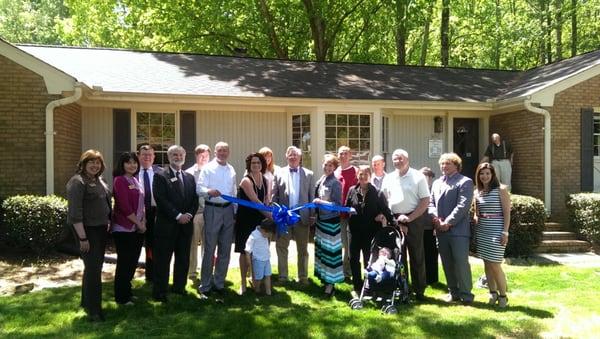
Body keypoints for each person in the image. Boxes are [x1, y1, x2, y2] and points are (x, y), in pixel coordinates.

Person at [66, 150, 111, 322]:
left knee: (93, 268)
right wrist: (83, 238)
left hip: (100, 230)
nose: (95, 165)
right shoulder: (77, 182)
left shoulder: (99, 180)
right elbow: (75, 213)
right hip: (86, 231)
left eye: (98, 162)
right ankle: (95, 311)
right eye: (91, 162)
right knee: (93, 270)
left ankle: (86, 302)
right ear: (83, 164)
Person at [380, 149, 429, 301]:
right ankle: (402, 288)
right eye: (395, 159)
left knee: (416, 255)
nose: (397, 161)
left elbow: (425, 201)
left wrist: (410, 218)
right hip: (394, 220)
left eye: (400, 158)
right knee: (397, 256)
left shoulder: (418, 176)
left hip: (414, 218)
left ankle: (419, 290)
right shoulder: (389, 178)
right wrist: (392, 219)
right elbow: (384, 199)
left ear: (407, 159)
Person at [152, 145, 199, 302]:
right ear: (169, 156)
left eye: (180, 154)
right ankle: (160, 291)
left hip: (186, 226)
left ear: (185, 156)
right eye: (174, 154)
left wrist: (189, 214)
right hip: (167, 226)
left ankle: (179, 287)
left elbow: (194, 200)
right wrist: (178, 215)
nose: (178, 157)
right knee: (163, 260)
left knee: (183, 258)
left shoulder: (189, 177)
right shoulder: (160, 176)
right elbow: (161, 200)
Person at [429, 153, 475, 305]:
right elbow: (431, 204)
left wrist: (448, 223)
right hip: (441, 232)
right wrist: (436, 219)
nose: (444, 166)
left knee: (461, 263)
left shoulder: (465, 182)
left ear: (456, 165)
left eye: (448, 163)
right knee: (447, 263)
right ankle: (453, 293)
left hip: (458, 231)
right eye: (442, 164)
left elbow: (463, 206)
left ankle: (467, 295)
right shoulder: (437, 183)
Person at [345, 165, 395, 296]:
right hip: (354, 231)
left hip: (371, 233)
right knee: (353, 259)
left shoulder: (377, 193)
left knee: (369, 259)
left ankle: (369, 285)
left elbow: (386, 210)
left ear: (370, 176)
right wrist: (347, 211)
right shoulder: (352, 190)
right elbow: (346, 207)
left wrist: (392, 222)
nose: (363, 177)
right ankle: (357, 285)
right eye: (360, 174)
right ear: (357, 176)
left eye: (366, 174)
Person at [197, 141, 237, 298]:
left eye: (225, 151)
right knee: (209, 249)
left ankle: (219, 283)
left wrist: (234, 211)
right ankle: (205, 285)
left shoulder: (231, 169)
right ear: (215, 152)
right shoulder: (207, 168)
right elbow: (199, 189)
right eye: (220, 150)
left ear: (229, 152)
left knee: (225, 249)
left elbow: (233, 191)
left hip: (228, 211)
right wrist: (209, 191)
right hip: (212, 209)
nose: (223, 153)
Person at [272, 146, 315, 285]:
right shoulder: (278, 173)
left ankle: (303, 276)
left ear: (300, 157)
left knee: (303, 249)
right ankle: (283, 276)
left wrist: (312, 215)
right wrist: (276, 214)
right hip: (284, 216)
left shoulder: (309, 174)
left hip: (302, 216)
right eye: (290, 155)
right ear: (286, 156)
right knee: (281, 246)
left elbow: (311, 197)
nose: (293, 157)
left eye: (295, 155)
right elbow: (274, 196)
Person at [473, 162, 511, 308]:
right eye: (482, 174)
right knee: (487, 264)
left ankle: (503, 296)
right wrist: (476, 218)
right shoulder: (477, 192)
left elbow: (507, 212)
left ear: (493, 175)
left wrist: (505, 232)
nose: (485, 176)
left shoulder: (501, 190)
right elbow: (477, 212)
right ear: (478, 175)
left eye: (488, 173)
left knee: (495, 264)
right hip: (483, 230)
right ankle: (492, 293)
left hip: (497, 230)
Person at [111, 152, 146, 305]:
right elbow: (124, 207)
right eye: (128, 162)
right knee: (124, 263)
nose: (132, 165)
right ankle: (121, 297)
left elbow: (141, 204)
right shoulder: (119, 181)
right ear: (122, 164)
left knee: (132, 262)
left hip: (137, 228)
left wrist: (142, 221)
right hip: (124, 228)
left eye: (134, 162)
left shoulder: (135, 180)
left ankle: (128, 292)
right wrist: (138, 223)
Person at [235, 153, 270, 295]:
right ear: (249, 165)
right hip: (245, 220)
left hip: (259, 220)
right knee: (245, 251)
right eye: (253, 163)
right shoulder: (246, 181)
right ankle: (243, 282)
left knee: (259, 251)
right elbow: (255, 202)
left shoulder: (265, 179)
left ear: (262, 165)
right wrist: (272, 216)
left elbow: (266, 200)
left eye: (258, 163)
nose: (256, 165)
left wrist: (271, 214)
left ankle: (256, 280)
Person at [314, 154, 344, 297]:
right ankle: (325, 280)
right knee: (322, 253)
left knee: (330, 254)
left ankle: (330, 285)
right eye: (325, 165)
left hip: (331, 224)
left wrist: (322, 202)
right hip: (321, 222)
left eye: (330, 165)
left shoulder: (336, 183)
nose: (327, 167)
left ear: (334, 167)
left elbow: (338, 205)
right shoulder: (321, 180)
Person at [185, 144, 211, 286]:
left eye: (206, 155)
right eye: (201, 155)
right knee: (193, 244)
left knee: (209, 244)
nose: (203, 158)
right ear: (196, 156)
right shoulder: (189, 173)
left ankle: (206, 271)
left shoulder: (213, 171)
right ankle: (192, 272)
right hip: (196, 214)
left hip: (211, 212)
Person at [137, 144, 163, 283]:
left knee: (153, 245)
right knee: (135, 245)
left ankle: (151, 275)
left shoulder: (160, 171)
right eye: (144, 155)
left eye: (150, 155)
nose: (147, 157)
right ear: (138, 156)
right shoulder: (132, 172)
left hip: (155, 213)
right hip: (137, 214)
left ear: (154, 157)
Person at [334, 145, 357, 280]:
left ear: (350, 155)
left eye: (345, 153)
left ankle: (347, 272)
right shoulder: (335, 172)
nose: (343, 156)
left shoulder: (355, 171)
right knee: (339, 244)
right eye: (340, 153)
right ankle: (338, 271)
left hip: (351, 215)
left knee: (349, 245)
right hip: (336, 215)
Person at [245, 218, 277, 296]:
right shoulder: (254, 235)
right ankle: (257, 289)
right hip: (258, 260)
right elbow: (247, 249)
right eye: (269, 234)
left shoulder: (265, 234)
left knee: (268, 275)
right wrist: (248, 261)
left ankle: (268, 292)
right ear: (263, 230)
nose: (270, 236)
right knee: (258, 277)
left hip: (266, 259)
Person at [420, 166, 439, 285]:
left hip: (431, 227)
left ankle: (432, 279)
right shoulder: (417, 190)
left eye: (427, 176)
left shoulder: (435, 190)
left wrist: (436, 226)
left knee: (431, 254)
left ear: (431, 178)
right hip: (419, 227)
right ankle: (422, 278)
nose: (425, 179)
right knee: (420, 254)